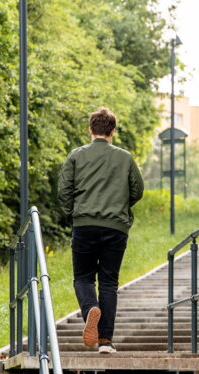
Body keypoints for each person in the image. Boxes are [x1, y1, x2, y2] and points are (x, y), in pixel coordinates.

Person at [58, 107, 145, 354]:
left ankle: (89, 311)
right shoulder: (125, 157)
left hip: (84, 225)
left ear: (90, 130)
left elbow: (64, 190)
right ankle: (106, 341)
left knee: (83, 278)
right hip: (115, 228)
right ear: (112, 132)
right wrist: (119, 206)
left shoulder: (76, 156)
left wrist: (72, 214)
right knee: (108, 282)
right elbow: (137, 190)